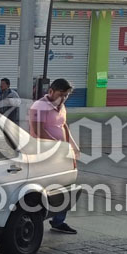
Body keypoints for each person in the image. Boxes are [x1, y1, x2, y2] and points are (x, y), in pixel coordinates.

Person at [29, 78, 79, 234]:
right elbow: (38, 130)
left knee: (64, 186)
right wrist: (57, 147)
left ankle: (58, 221)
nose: (63, 98)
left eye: (66, 95)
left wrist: (72, 145)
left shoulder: (61, 107)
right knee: (46, 188)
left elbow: (63, 125)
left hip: (61, 153)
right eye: (61, 94)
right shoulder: (39, 106)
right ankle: (34, 221)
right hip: (44, 153)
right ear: (51, 91)